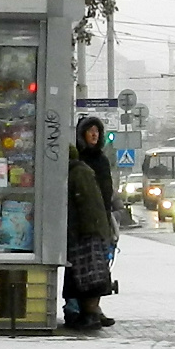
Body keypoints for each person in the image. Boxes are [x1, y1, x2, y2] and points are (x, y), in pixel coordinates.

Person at [64, 119, 119, 330]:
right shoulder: (79, 161)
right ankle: (77, 308)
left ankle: (94, 309)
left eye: (97, 131)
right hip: (82, 223)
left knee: (96, 268)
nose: (94, 135)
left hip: (99, 219)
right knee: (81, 268)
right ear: (82, 134)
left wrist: (110, 215)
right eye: (90, 131)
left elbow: (106, 192)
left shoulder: (101, 160)